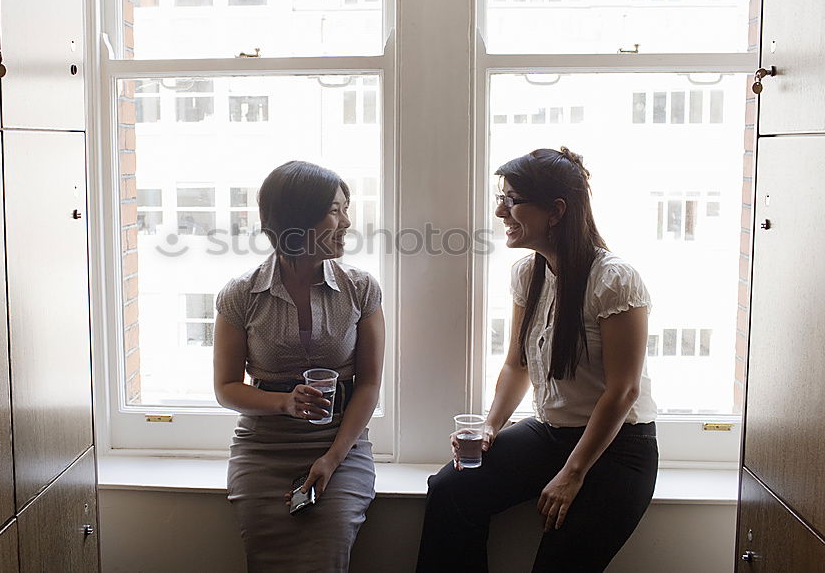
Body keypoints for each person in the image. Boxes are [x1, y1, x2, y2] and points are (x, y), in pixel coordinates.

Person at [416, 147, 659, 572]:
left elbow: (624, 390)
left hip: (617, 448)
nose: (498, 211)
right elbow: (517, 365)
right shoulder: (528, 274)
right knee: (450, 490)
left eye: (511, 200)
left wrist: (573, 473)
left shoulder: (614, 279)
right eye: (501, 198)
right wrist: (491, 426)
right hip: (551, 433)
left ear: (556, 211)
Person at [213, 160, 385, 572]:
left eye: (346, 208)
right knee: (266, 556)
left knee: (329, 550)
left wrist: (332, 458)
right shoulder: (241, 294)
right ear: (297, 218)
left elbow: (369, 385)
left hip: (340, 446)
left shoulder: (360, 289)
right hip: (263, 449)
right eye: (335, 210)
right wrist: (284, 403)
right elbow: (226, 388)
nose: (347, 221)